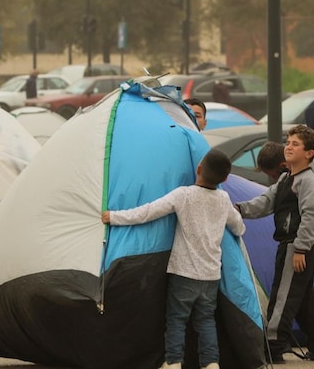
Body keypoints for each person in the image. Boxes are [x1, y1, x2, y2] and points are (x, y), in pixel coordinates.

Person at [101, 149, 244, 369]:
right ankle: (211, 363)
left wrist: (114, 217)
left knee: (177, 319)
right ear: (225, 179)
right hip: (211, 274)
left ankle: (174, 361)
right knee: (206, 320)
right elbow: (238, 227)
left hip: (183, 273)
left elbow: (147, 212)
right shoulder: (223, 199)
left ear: (198, 168)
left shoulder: (183, 195)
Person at [236, 125, 314, 363]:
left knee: (283, 297)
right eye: (288, 142)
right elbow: (265, 202)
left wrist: (301, 248)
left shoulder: (307, 181)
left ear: (309, 153)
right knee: (304, 301)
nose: (288, 146)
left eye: (295, 144)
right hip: (290, 247)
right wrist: (238, 209)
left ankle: (273, 346)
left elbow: (311, 215)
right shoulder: (286, 179)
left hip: (296, 247)